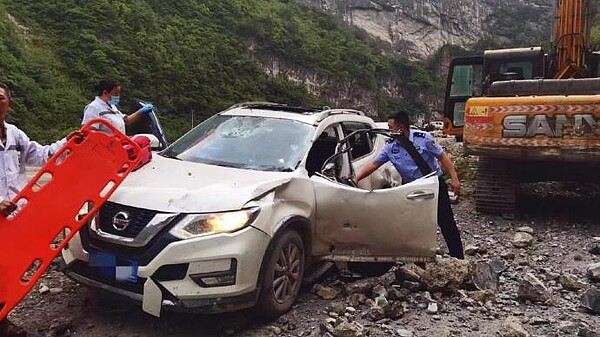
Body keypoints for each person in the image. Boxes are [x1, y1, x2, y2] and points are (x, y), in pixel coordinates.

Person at [0, 82, 83, 337]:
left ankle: (3, 320)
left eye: (0, 97)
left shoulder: (14, 134)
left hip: (15, 215)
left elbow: (42, 155)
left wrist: (66, 144)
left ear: (9, 104)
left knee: (9, 271)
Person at [354, 111, 465, 259]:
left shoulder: (424, 139)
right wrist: (356, 179)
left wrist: (454, 179)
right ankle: (420, 260)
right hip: (411, 188)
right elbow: (374, 164)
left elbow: (442, 157)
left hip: (434, 185)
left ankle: (458, 258)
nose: (389, 130)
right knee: (416, 224)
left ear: (401, 127)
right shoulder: (390, 147)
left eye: (390, 127)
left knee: (446, 222)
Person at [82, 78, 154, 134]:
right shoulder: (93, 107)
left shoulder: (112, 107)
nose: (118, 96)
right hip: (104, 147)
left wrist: (141, 111)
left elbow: (126, 120)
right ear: (105, 92)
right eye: (116, 93)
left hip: (117, 146)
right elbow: (88, 132)